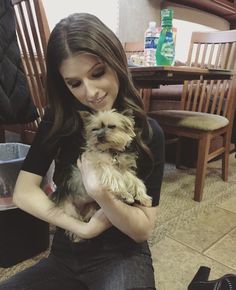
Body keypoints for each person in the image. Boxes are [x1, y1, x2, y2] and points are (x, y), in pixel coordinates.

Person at [0, 13, 165, 290]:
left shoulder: (148, 133)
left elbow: (142, 229)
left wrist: (101, 193)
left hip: (122, 253)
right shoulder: (59, 120)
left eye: (98, 73)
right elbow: (23, 192)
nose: (91, 93)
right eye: (74, 83)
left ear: (116, 61)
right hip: (66, 251)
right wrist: (82, 229)